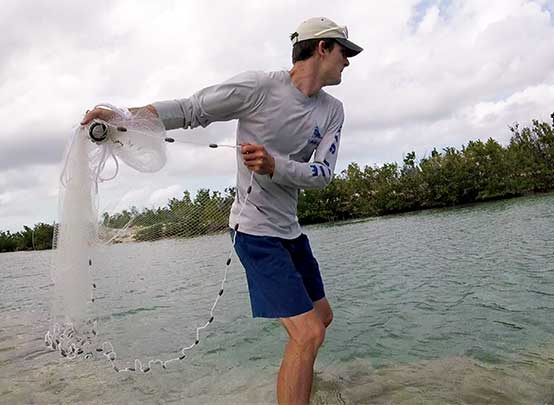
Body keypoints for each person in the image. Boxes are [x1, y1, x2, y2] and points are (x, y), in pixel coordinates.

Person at [82, 16, 362, 405]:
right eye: (344, 52)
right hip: (253, 231)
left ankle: (299, 387)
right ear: (321, 48)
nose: (348, 61)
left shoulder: (333, 110)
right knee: (308, 333)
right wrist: (124, 117)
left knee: (321, 319)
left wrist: (274, 165)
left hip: (290, 231)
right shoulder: (259, 87)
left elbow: (322, 174)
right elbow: (191, 109)